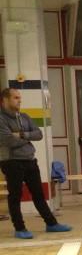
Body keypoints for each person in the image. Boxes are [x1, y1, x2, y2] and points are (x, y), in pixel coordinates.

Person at [0, 88, 72, 239]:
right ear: (5, 100)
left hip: (30, 161)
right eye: (15, 98)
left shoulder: (24, 117)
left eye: (19, 97)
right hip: (12, 162)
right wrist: (27, 138)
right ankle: (19, 228)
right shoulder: (1, 119)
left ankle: (51, 224)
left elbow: (38, 134)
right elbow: (8, 140)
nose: (19, 100)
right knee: (15, 196)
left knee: (39, 194)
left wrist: (20, 134)